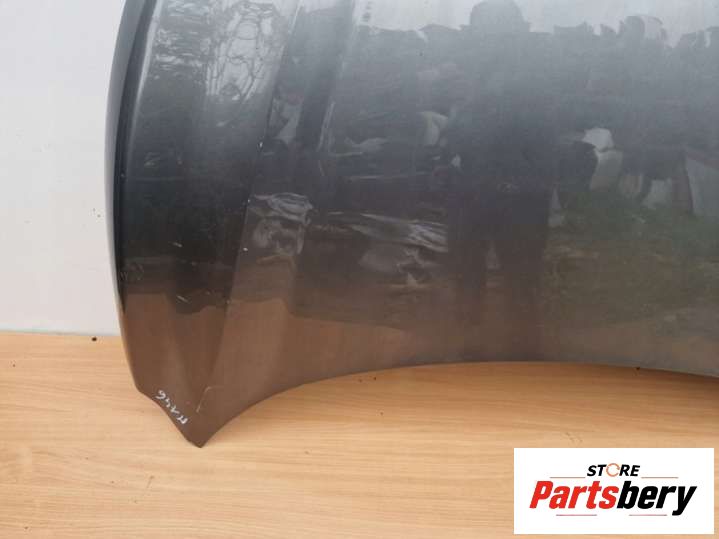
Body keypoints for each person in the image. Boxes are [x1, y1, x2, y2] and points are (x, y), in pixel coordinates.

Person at [446, 0, 558, 357]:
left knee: (520, 283)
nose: (480, 37)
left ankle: (521, 357)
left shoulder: (528, 77)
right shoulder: (477, 73)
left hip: (517, 195)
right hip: (476, 189)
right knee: (468, 278)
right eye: (478, 29)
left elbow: (532, 138)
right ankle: (470, 352)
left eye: (487, 30)